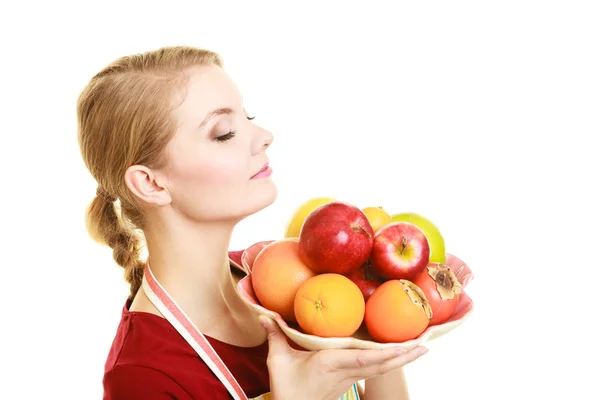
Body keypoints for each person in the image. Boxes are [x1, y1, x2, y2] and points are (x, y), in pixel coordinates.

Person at [77, 45, 428, 400]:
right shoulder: (143, 378)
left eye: (248, 117)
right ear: (151, 184)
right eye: (224, 132)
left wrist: (380, 324)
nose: (263, 137)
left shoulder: (279, 272)